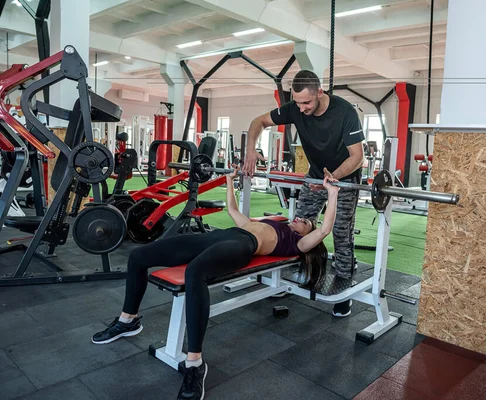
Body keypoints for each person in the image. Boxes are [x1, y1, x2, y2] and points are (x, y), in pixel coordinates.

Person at [90, 166, 339, 400]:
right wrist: (229, 181)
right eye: (301, 218)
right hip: (216, 237)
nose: (299, 219)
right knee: (138, 257)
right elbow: (234, 212)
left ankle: (194, 363)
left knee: (195, 273)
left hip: (241, 246)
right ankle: (128, 320)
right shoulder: (270, 223)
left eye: (306, 223)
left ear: (308, 236)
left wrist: (332, 193)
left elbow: (325, 230)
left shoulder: (297, 244)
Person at [243, 69, 365, 317]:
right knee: (297, 226)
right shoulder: (295, 107)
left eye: (306, 102)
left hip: (344, 179)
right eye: (297, 103)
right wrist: (250, 150)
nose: (301, 108)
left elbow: (358, 157)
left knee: (341, 232)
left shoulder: (345, 112)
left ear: (320, 92)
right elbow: (258, 122)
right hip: (315, 175)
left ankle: (344, 288)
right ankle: (300, 272)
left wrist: (334, 178)